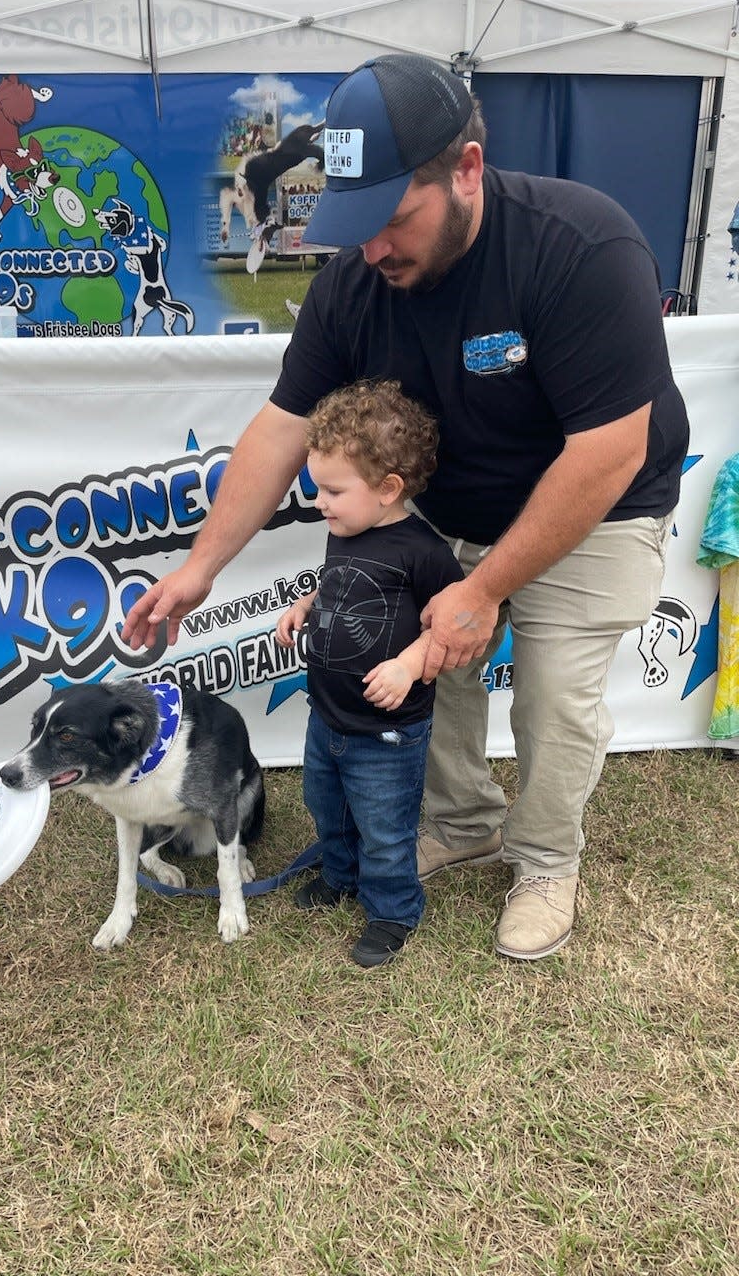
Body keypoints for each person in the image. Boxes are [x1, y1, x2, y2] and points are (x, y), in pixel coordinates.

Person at [123, 53, 689, 961]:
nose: (374, 248)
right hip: (447, 507)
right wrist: (201, 568)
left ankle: (546, 858)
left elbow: (610, 448)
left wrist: (486, 587)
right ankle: (465, 822)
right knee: (430, 666)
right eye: (357, 224)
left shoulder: (580, 245)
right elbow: (279, 431)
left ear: (465, 169)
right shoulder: (354, 283)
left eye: (393, 218)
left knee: (552, 696)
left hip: (602, 501)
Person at [273, 379, 463, 967]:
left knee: (385, 826)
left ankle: (393, 910)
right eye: (316, 488)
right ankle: (339, 875)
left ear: (387, 489)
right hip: (325, 716)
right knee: (325, 804)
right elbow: (344, 589)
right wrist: (309, 604)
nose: (320, 502)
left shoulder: (423, 551)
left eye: (332, 490)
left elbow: (453, 623)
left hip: (387, 731)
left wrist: (410, 665)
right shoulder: (344, 532)